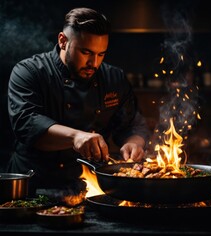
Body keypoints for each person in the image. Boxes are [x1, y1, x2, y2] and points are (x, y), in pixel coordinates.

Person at [6, 7, 150, 193]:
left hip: (88, 186)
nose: (94, 63)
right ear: (63, 41)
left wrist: (134, 143)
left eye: (101, 54)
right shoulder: (29, 72)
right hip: (32, 186)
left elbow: (133, 124)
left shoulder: (113, 78)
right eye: (86, 52)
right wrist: (76, 136)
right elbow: (26, 124)